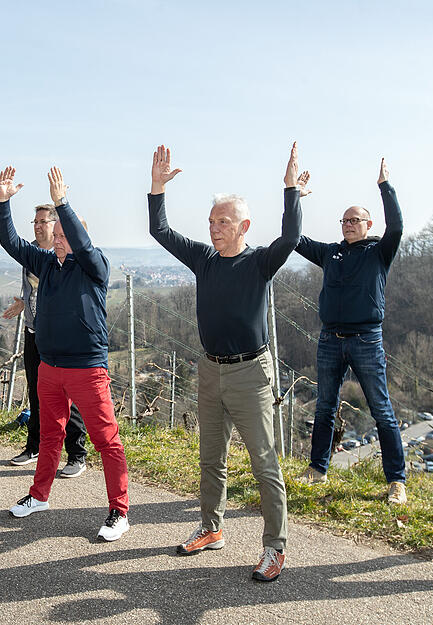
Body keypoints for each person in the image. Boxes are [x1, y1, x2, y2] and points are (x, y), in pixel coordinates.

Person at [147, 143, 302, 582]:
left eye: (224, 222)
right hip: (210, 370)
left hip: (252, 374)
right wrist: (157, 188)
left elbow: (290, 238)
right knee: (210, 458)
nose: (214, 229)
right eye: (212, 222)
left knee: (264, 462)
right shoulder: (204, 260)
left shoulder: (260, 262)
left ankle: (275, 548)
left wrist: (289, 189)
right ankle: (212, 528)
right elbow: (161, 231)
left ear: (244, 226)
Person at [0, 165, 130, 542]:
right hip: (50, 366)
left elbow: (83, 246)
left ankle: (119, 511)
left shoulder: (94, 266)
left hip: (87, 368)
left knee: (106, 439)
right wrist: (3, 202)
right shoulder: (45, 263)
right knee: (50, 434)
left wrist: (63, 204)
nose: (57, 240)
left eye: (64, 234)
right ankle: (39, 496)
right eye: (55, 234)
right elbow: (12, 243)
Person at [294, 159, 407, 505]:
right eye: (344, 221)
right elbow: (294, 239)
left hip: (366, 341)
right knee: (325, 406)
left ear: (368, 224)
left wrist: (385, 187)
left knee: (381, 410)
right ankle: (317, 468)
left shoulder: (378, 251)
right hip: (330, 340)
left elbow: (398, 227)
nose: (347, 225)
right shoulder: (332, 253)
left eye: (354, 220)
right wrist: (294, 198)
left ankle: (396, 481)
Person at [2, 202, 89, 476]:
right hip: (33, 333)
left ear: (55, 225)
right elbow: (31, 289)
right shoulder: (31, 250)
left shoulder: (65, 253)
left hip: (60, 337)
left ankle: (77, 454)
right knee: (36, 392)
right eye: (35, 222)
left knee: (67, 395)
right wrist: (23, 303)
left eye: (43, 222)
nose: (38, 226)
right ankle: (34, 445)